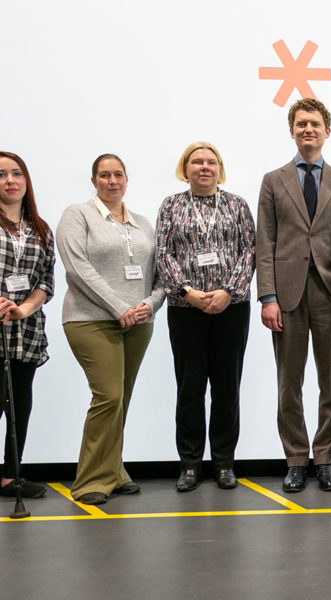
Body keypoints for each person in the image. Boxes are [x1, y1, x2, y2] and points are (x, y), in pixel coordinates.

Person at [257, 98, 331, 493]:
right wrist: (267, 296)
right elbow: (265, 243)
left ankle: (326, 458)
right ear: (292, 130)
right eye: (301, 124)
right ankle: (296, 459)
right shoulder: (273, 180)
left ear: (327, 131)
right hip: (286, 295)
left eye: (314, 124)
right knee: (289, 383)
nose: (307, 130)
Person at [56, 154, 166, 505]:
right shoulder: (78, 214)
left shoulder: (143, 224)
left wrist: (149, 305)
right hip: (90, 319)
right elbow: (77, 268)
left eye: (118, 174)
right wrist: (119, 308)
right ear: (94, 181)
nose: (112, 181)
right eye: (104, 175)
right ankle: (90, 480)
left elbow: (159, 275)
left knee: (122, 400)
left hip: (138, 322)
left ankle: (114, 471)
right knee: (108, 397)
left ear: (126, 180)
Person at [156, 142, 255, 492]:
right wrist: (187, 293)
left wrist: (228, 291)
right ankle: (190, 465)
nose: (204, 166)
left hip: (232, 308)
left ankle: (224, 464)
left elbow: (248, 252)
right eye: (196, 161)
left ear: (219, 168)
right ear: (186, 168)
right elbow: (163, 254)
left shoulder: (237, 206)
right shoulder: (171, 205)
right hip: (186, 310)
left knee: (227, 387)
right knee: (190, 388)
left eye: (211, 161)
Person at [0, 151, 54, 499]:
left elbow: (46, 281)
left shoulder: (39, 228)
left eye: (17, 173)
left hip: (26, 331)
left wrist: (25, 308)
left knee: (20, 404)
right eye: (2, 174)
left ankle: (9, 476)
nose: (10, 180)